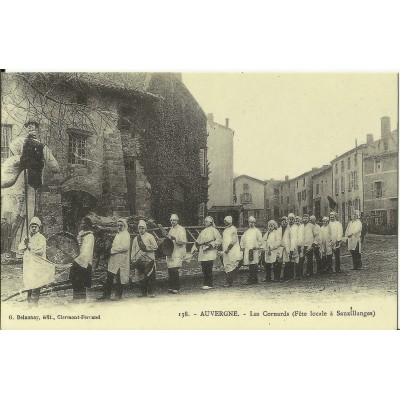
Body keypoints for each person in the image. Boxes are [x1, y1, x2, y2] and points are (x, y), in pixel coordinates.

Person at [2, 120, 59, 252]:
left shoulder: (41, 146)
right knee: (15, 216)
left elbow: (55, 167)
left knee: (28, 214)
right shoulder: (18, 142)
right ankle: (12, 248)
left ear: (37, 129)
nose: (31, 128)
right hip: (18, 181)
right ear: (26, 128)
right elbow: (11, 161)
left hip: (32, 183)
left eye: (34, 126)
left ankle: (24, 248)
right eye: (29, 126)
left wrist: (41, 162)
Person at [17, 216, 51, 305]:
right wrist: (25, 243)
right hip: (28, 264)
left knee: (36, 282)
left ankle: (34, 303)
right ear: (30, 228)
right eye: (32, 226)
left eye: (35, 227)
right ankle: (29, 301)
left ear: (39, 228)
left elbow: (41, 250)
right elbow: (20, 248)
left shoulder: (41, 238)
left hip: (37, 264)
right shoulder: (27, 237)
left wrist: (29, 246)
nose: (34, 228)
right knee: (29, 281)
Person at [98, 218, 131, 301]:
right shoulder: (118, 234)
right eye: (118, 225)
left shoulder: (126, 234)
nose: (119, 227)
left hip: (121, 259)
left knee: (120, 277)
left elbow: (125, 247)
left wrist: (112, 250)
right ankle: (106, 295)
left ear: (124, 226)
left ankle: (118, 295)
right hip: (114, 259)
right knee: (109, 276)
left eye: (121, 225)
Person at [131, 220, 159, 298]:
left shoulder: (150, 236)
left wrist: (146, 248)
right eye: (139, 228)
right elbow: (133, 249)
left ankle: (152, 292)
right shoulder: (136, 238)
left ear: (145, 228)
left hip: (149, 259)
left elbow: (155, 246)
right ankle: (143, 292)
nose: (141, 230)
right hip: (140, 260)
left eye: (142, 228)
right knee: (141, 276)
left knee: (150, 276)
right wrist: (132, 258)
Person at [192, 216, 222, 290]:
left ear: (210, 222)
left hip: (210, 251)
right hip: (203, 251)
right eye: (204, 221)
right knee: (204, 268)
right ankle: (205, 283)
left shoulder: (214, 230)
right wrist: (194, 248)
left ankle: (209, 284)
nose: (205, 223)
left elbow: (219, 240)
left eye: (206, 221)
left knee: (208, 268)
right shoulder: (203, 231)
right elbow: (198, 241)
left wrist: (211, 245)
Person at [69, 217, 94, 302]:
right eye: (82, 223)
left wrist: (79, 259)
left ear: (88, 225)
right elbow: (76, 246)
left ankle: (82, 298)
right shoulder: (80, 234)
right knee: (74, 278)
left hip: (84, 260)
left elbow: (87, 250)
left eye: (85, 223)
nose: (83, 225)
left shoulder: (90, 236)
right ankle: (76, 297)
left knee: (81, 279)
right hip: (77, 258)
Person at [166, 214, 187, 294]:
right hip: (171, 251)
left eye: (174, 220)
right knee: (170, 269)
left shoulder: (181, 229)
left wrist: (175, 239)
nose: (172, 222)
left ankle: (176, 287)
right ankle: (171, 286)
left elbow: (183, 241)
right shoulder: (171, 229)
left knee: (175, 269)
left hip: (178, 250)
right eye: (171, 220)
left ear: (177, 221)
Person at [240, 216, 262, 285]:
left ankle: (254, 279)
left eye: (252, 222)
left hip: (254, 250)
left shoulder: (257, 231)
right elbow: (242, 240)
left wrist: (256, 246)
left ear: (254, 223)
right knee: (250, 265)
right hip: (248, 250)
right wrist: (242, 246)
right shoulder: (246, 232)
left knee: (254, 264)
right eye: (250, 222)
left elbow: (260, 241)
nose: (251, 224)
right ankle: (252, 279)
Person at [221, 216, 242, 287]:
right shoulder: (225, 230)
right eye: (224, 221)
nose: (224, 222)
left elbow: (234, 240)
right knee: (227, 264)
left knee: (231, 264)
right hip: (226, 250)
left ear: (229, 221)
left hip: (232, 250)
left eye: (226, 221)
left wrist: (228, 249)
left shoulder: (233, 229)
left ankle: (229, 282)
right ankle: (229, 281)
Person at [286, 213, 299, 280]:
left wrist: (292, 248)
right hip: (288, 245)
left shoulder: (296, 227)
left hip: (294, 245)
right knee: (288, 260)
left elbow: (294, 238)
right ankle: (289, 275)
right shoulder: (287, 227)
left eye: (292, 219)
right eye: (289, 219)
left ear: (294, 220)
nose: (291, 221)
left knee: (294, 259)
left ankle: (295, 275)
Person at [296, 215, 306, 279]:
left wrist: (302, 245)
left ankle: (300, 273)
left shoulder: (303, 227)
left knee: (301, 259)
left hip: (301, 245)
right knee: (296, 260)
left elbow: (304, 237)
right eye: (296, 221)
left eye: (298, 221)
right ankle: (297, 274)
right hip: (296, 245)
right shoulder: (294, 227)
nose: (297, 222)